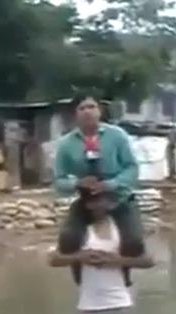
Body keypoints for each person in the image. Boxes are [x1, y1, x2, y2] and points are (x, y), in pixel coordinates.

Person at [54, 94, 145, 287]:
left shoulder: (117, 135)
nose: (88, 111)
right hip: (87, 200)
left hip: (118, 198)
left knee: (134, 242)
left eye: (91, 106)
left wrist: (112, 184)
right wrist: (77, 183)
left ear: (99, 111)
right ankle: (80, 276)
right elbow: (58, 181)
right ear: (75, 115)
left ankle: (125, 274)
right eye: (82, 108)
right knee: (67, 239)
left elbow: (132, 168)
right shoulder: (66, 144)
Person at [48, 193, 154, 314]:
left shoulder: (123, 230)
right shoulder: (78, 231)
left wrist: (118, 261)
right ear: (87, 204)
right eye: (94, 201)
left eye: (103, 200)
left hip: (120, 305)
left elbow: (148, 261)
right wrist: (80, 257)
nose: (99, 205)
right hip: (90, 307)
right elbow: (53, 260)